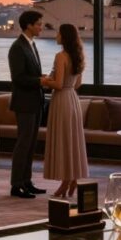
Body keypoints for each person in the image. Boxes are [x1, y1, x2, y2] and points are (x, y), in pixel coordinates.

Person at [41, 24, 89, 198]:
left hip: (61, 100)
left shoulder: (61, 56)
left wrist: (45, 81)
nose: (56, 36)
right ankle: (72, 177)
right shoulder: (78, 56)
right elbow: (77, 84)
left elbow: (59, 84)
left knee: (63, 140)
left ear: (64, 36)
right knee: (72, 141)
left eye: (58, 33)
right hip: (73, 100)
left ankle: (65, 181)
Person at [8, 10, 48, 199]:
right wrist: (40, 81)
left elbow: (30, 75)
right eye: (38, 24)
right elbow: (18, 78)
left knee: (31, 144)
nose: (41, 27)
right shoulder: (17, 47)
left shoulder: (31, 44)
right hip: (24, 103)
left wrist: (41, 79)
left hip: (35, 101)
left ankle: (26, 181)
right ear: (29, 25)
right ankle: (16, 185)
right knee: (23, 144)